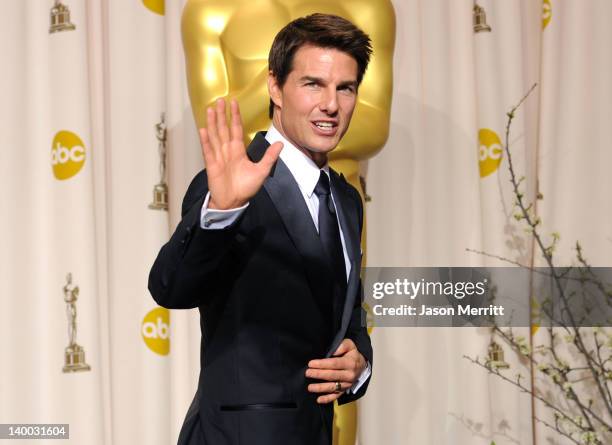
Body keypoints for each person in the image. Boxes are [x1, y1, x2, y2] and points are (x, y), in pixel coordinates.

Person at [149, 13, 373, 445]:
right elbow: (170, 288)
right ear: (275, 86)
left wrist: (360, 363)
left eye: (344, 88)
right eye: (313, 84)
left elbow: (349, 318)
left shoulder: (346, 199)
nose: (330, 104)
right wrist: (220, 211)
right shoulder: (235, 182)